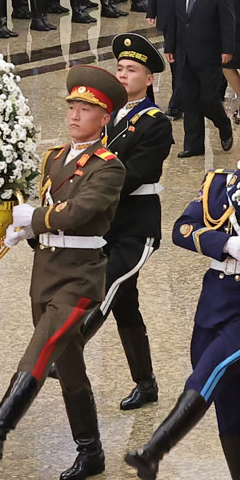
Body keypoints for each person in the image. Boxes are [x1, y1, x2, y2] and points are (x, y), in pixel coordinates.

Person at [0, 65, 127, 480]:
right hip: (46, 271)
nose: (74, 115)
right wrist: (23, 228)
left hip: (81, 277)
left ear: (104, 118)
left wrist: (35, 219)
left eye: (86, 110)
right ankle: (90, 451)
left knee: (42, 347)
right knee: (69, 365)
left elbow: (80, 211)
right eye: (72, 106)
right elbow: (44, 210)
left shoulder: (108, 167)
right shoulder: (54, 158)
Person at [124, 88, 240, 480]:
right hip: (213, 300)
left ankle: (153, 451)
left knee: (203, 377)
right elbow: (181, 229)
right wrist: (225, 242)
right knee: (226, 400)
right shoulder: (220, 183)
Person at [80, 34, 175, 411]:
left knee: (105, 284)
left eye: (131, 70)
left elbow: (134, 173)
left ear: (149, 79)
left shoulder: (154, 123)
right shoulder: (104, 117)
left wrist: (90, 191)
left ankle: (66, 352)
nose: (122, 75)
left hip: (137, 226)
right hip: (106, 225)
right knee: (125, 303)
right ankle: (146, 383)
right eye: (119, 68)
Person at [159, 0, 235, 159]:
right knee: (189, 100)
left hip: (210, 54)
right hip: (184, 54)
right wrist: (170, 47)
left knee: (208, 99)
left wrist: (227, 49)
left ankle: (223, 124)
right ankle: (193, 144)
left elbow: (227, 22)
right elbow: (173, 21)